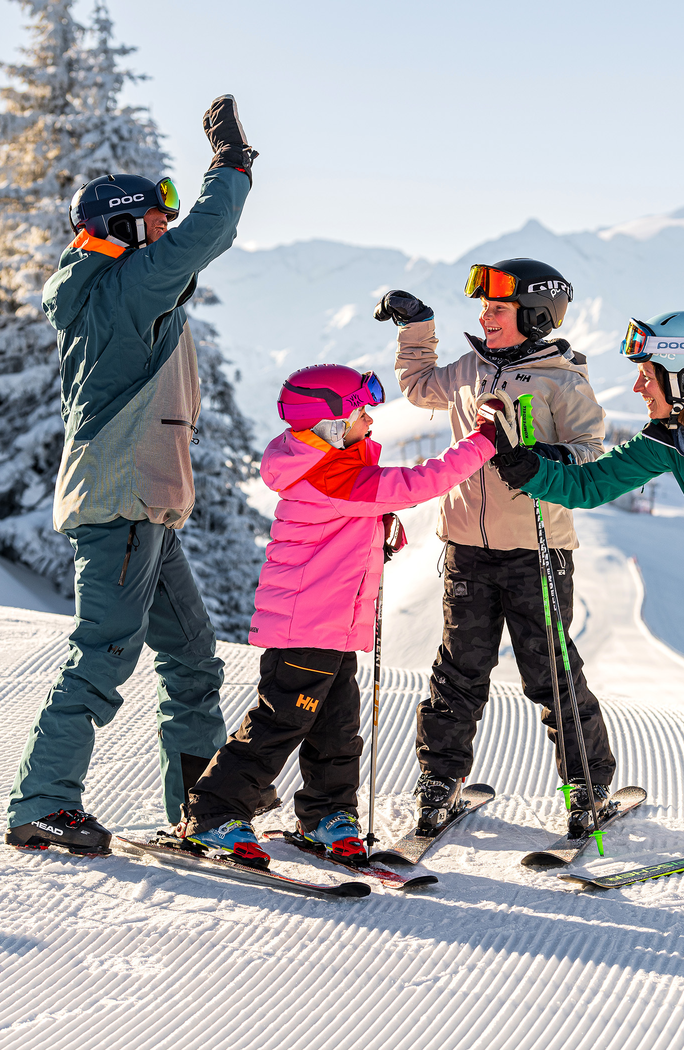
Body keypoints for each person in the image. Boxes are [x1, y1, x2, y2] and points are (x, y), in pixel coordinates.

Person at [5, 96, 256, 856]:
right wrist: (231, 166)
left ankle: (200, 809)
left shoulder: (117, 290)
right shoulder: (119, 289)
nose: (164, 233)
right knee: (104, 652)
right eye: (153, 220)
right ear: (119, 227)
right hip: (122, 504)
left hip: (144, 507)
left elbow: (182, 255)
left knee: (192, 659)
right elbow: (205, 237)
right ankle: (43, 803)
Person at [174, 363, 498, 867]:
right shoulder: (331, 473)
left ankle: (326, 813)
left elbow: (349, 521)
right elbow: (420, 482)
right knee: (279, 723)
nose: (370, 422)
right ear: (329, 425)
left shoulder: (332, 472)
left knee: (337, 727)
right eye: (360, 414)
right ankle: (213, 814)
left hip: (332, 630)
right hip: (307, 628)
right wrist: (483, 442)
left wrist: (375, 530)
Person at [491, 309, 684, 844]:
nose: (638, 385)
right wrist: (526, 469)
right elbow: (592, 484)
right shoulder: (672, 437)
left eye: (649, 372)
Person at [375, 259, 616, 837]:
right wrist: (417, 326)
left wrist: (545, 459)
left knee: (549, 672)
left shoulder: (564, 381)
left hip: (538, 550)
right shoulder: (469, 368)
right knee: (459, 668)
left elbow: (591, 450)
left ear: (535, 316)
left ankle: (586, 787)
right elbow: (417, 386)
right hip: (465, 547)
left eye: (499, 308)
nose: (485, 316)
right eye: (483, 306)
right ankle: (439, 782)